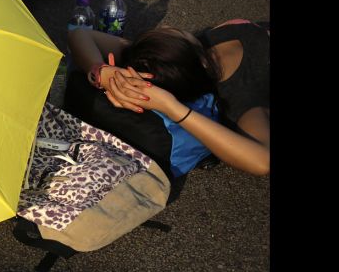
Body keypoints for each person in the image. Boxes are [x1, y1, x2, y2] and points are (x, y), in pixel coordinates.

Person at [66, 21, 269, 177]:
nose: (165, 24)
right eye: (174, 31)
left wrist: (100, 71)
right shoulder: (243, 95)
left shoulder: (177, 59)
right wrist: (171, 107)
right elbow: (263, 161)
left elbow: (79, 33)